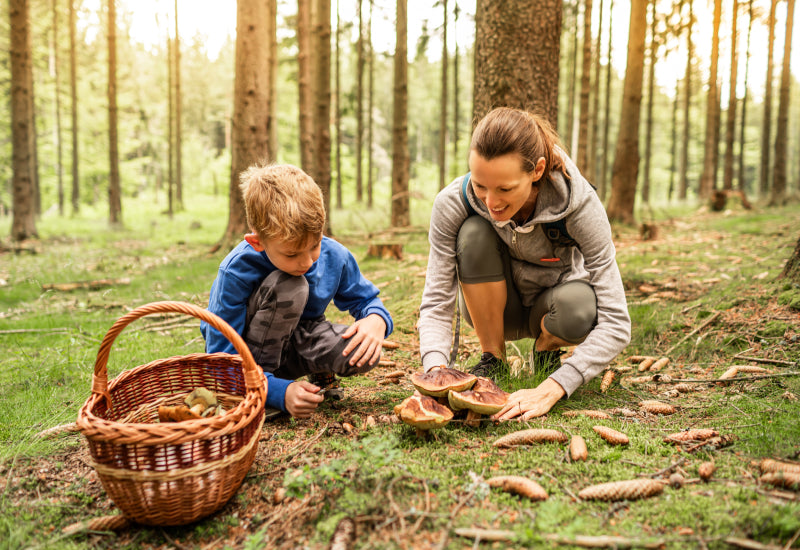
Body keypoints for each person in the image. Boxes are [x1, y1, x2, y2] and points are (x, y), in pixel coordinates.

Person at [417, 107, 630, 421]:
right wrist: (435, 373)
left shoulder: (579, 204)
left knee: (581, 308)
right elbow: (437, 300)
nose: (491, 203)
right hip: (494, 308)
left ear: (537, 170)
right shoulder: (451, 202)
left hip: (555, 308)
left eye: (505, 189)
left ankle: (546, 351)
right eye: (480, 186)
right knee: (474, 231)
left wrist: (556, 386)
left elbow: (617, 322)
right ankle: (493, 359)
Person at [201, 163, 393, 419]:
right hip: (248, 358)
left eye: (314, 245)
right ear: (257, 242)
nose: (306, 262)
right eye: (291, 253)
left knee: (363, 353)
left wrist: (376, 320)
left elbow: (367, 299)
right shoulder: (236, 271)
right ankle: (262, 391)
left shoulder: (334, 254)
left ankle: (303, 374)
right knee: (291, 286)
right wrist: (279, 392)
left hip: (299, 341)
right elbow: (220, 358)